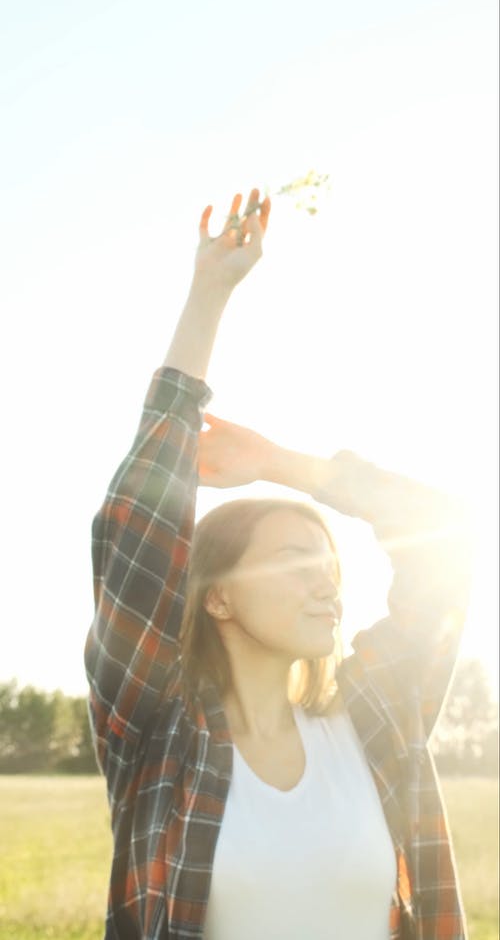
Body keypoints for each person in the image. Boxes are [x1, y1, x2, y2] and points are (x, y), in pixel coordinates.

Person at [85, 188, 471, 940]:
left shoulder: (378, 713)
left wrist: (284, 466)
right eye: (296, 559)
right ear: (218, 598)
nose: (328, 578)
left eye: (329, 560)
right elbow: (136, 536)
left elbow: (444, 532)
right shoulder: (156, 733)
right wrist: (209, 293)